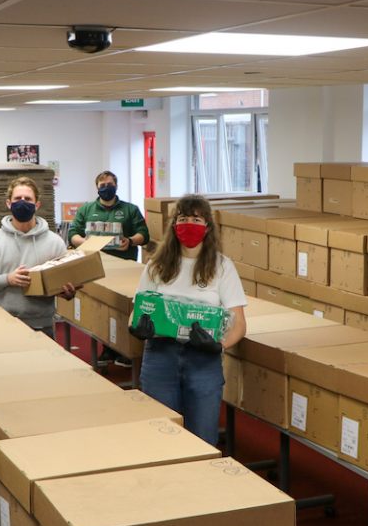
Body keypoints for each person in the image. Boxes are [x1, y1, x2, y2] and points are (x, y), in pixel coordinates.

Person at [130, 195, 246, 445]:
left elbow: (239, 323)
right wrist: (138, 328)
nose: (189, 224)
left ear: (208, 226)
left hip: (203, 359)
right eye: (183, 219)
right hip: (160, 356)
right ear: (174, 225)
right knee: (158, 435)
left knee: (202, 438)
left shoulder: (222, 267)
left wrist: (219, 346)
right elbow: (137, 312)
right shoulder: (156, 266)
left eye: (196, 219)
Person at [0, 176, 77, 339]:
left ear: (37, 204)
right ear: (8, 203)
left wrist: (67, 292)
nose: (22, 202)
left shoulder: (54, 242)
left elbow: (63, 282)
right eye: (17, 198)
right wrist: (7, 279)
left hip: (43, 326)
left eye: (27, 199)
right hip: (4, 324)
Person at [68, 170, 150, 366]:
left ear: (117, 186)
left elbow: (143, 234)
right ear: (97, 187)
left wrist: (130, 241)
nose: (106, 188)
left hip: (123, 267)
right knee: (101, 307)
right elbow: (73, 234)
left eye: (110, 184)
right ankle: (107, 347)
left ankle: (125, 348)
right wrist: (85, 242)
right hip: (95, 266)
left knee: (122, 308)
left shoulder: (130, 210)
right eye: (102, 185)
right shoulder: (87, 209)